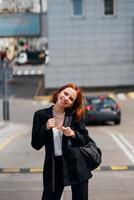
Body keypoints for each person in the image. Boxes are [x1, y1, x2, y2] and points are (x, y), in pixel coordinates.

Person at [31, 83, 93, 200]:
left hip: (77, 165)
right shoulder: (40, 115)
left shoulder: (75, 116)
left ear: (72, 103)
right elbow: (35, 144)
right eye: (65, 94)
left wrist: (73, 134)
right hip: (54, 166)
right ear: (59, 92)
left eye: (71, 99)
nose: (66, 98)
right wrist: (46, 128)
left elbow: (85, 139)